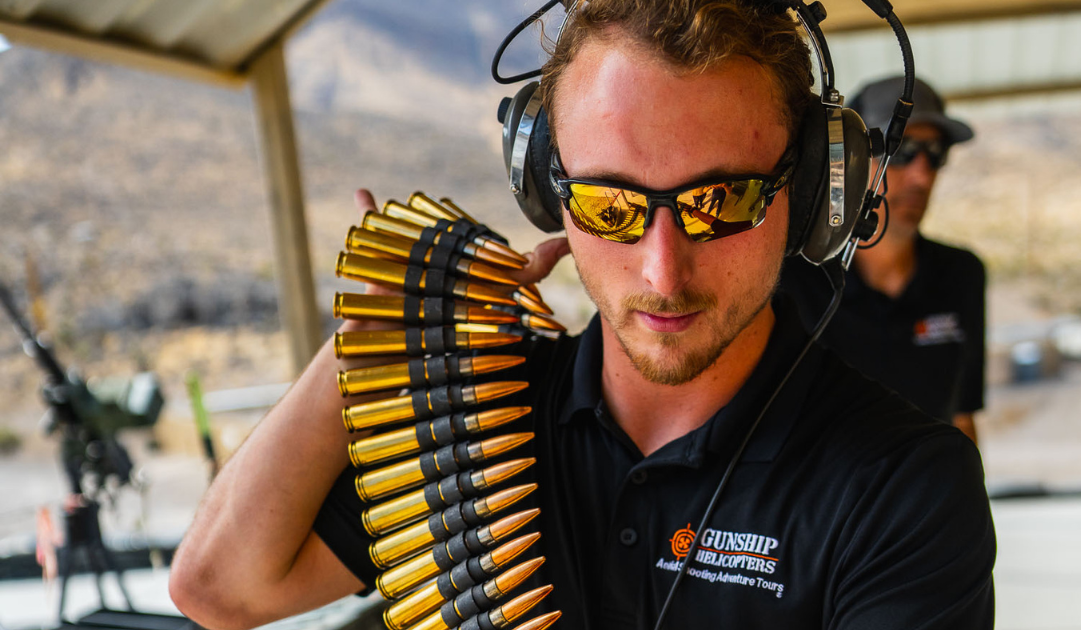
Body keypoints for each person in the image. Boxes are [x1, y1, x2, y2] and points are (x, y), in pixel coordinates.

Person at [169, 3, 995, 629]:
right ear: (545, 194)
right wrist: (371, 335)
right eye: (609, 204)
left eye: (723, 200)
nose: (662, 269)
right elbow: (218, 589)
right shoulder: (479, 418)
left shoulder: (905, 490)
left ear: (813, 193)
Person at [778, 76, 987, 442]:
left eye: (935, 154)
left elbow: (962, 420)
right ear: (848, 159)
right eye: (902, 150)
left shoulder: (962, 275)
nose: (922, 175)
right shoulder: (791, 277)